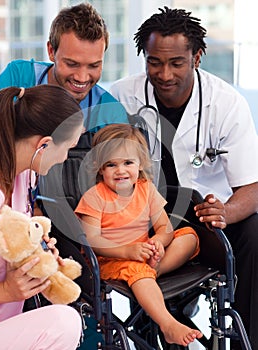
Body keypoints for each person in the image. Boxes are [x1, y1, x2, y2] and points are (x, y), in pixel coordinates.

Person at [110, 6, 258, 349]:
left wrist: (226, 212)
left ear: (197, 57)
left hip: (206, 218)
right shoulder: (121, 97)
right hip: (143, 219)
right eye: (154, 62)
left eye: (176, 62)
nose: (164, 74)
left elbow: (251, 186)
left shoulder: (225, 104)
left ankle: (246, 339)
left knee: (254, 231)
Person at [0, 84, 84, 349]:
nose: (64, 158)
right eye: (67, 148)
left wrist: (39, 249)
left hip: (2, 326)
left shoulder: (25, 175)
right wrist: (6, 291)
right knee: (64, 323)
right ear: (44, 145)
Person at [75, 124, 202, 347]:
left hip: (143, 251)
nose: (120, 171)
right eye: (111, 165)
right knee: (137, 269)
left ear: (141, 163)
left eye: (128, 163)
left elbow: (165, 228)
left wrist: (158, 242)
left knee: (189, 236)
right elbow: (92, 240)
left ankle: (155, 270)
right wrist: (126, 251)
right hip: (109, 258)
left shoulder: (146, 188)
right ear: (99, 168)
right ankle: (168, 325)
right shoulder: (95, 196)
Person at [0, 2, 128, 148]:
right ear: (51, 51)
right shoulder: (20, 76)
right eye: (71, 64)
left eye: (94, 66)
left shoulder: (110, 113)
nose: (82, 77)